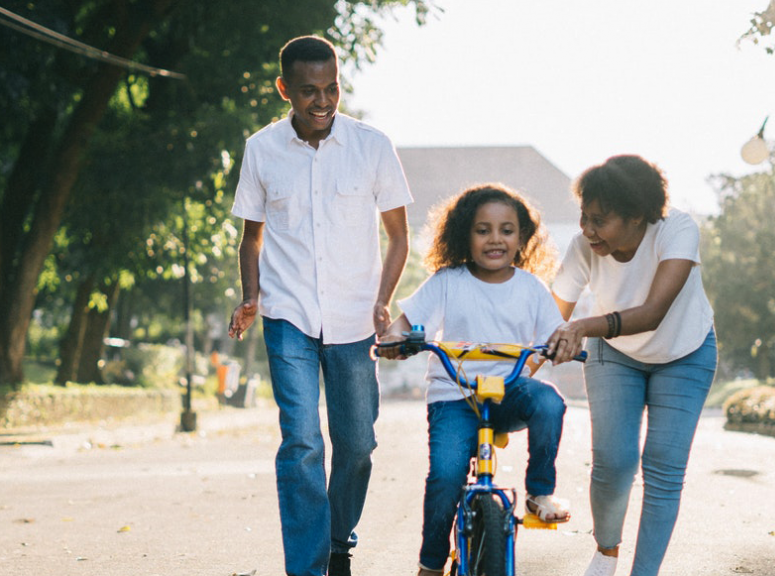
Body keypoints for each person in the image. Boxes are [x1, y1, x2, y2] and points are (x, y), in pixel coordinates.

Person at [227, 35, 412, 576]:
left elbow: (399, 237)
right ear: (285, 89)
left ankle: (337, 542)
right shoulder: (261, 149)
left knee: (357, 444)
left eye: (331, 88)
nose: (323, 101)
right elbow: (251, 239)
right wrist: (250, 297)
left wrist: (383, 300)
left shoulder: (372, 145)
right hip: (288, 316)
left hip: (356, 317)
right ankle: (307, 567)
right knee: (303, 441)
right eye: (308, 91)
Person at [377, 183, 571, 576]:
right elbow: (404, 325)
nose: (495, 239)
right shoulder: (448, 281)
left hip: (509, 391)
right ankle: (430, 565)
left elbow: (554, 335)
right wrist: (395, 340)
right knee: (446, 477)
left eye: (506, 230)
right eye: (483, 230)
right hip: (455, 396)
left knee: (549, 401)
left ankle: (539, 492)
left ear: (522, 238)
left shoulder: (532, 288)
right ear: (465, 234)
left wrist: (561, 345)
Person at [544, 155, 717, 576]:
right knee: (614, 459)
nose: (587, 230)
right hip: (614, 353)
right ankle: (606, 552)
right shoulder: (584, 246)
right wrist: (513, 377)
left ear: (637, 216)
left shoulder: (677, 230)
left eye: (599, 220)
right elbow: (550, 320)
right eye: (584, 217)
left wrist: (583, 325)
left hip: (685, 352)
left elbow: (654, 312)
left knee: (663, 465)